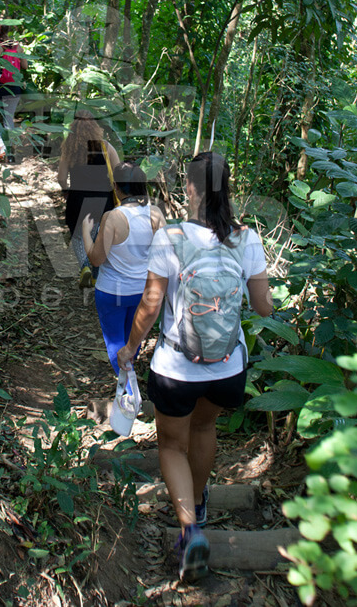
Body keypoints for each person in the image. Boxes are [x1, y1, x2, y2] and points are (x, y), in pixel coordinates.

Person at [117, 151, 273, 583]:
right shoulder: (249, 239)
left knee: (171, 445)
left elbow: (150, 306)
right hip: (228, 367)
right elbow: (263, 308)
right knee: (204, 430)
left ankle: (190, 531)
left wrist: (130, 348)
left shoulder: (170, 237)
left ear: (191, 189)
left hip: (177, 368)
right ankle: (199, 505)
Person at [81, 162, 165, 378]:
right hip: (143, 291)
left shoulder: (113, 217)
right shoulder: (155, 214)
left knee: (116, 344)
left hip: (112, 292)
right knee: (132, 341)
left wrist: (85, 233)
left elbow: (96, 259)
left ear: (116, 187)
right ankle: (129, 382)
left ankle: (128, 391)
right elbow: (164, 255)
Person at [57, 110, 120, 288]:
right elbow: (118, 172)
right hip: (103, 200)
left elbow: (61, 177)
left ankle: (84, 267)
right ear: (94, 126)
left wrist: (66, 190)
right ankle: (95, 273)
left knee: (78, 236)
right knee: (100, 236)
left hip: (78, 198)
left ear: (73, 127)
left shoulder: (69, 149)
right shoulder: (106, 146)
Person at [0, 24, 28, 163]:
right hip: (14, 86)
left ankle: (2, 148)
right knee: (8, 119)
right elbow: (25, 66)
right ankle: (9, 152)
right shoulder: (18, 46)